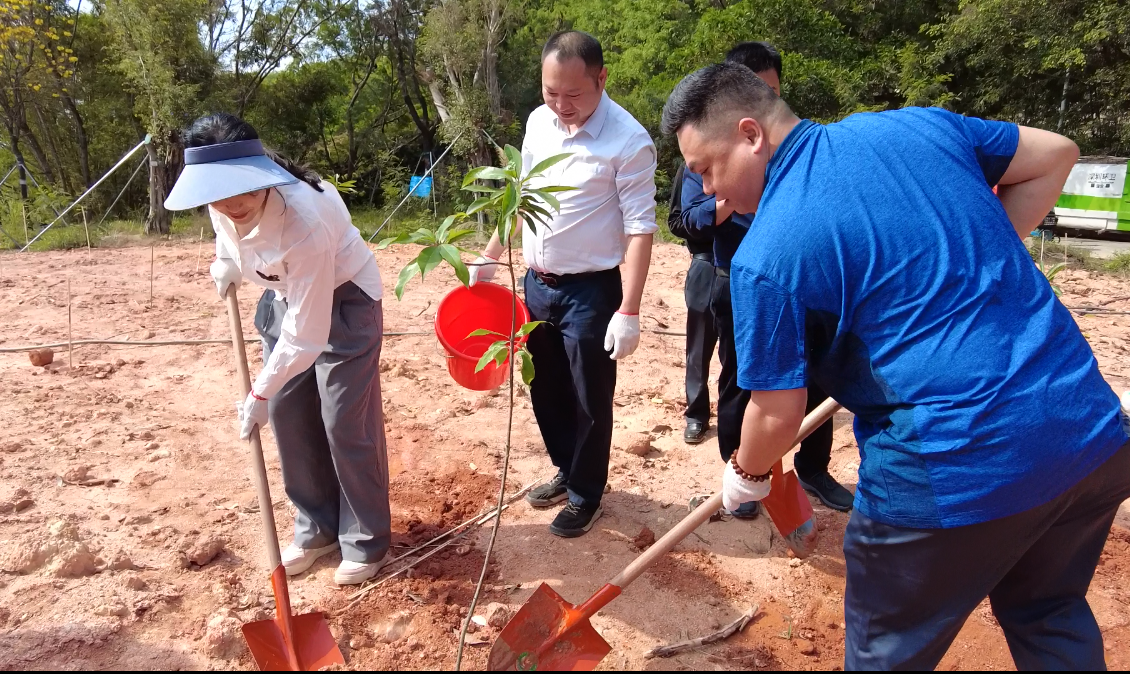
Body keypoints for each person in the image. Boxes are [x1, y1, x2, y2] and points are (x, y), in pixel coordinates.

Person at [661, 63, 1130, 669]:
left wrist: (745, 474)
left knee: (887, 656)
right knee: (1049, 612)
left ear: (751, 134)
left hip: (953, 466)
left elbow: (775, 414)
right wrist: (974, 260)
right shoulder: (920, 126)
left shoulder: (767, 253)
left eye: (706, 169)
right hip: (1087, 434)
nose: (706, 191)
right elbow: (1055, 154)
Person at [164, 113, 391, 586]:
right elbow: (228, 237)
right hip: (285, 296)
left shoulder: (303, 219)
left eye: (242, 190)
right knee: (288, 412)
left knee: (343, 420)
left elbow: (307, 334)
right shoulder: (221, 203)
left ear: (260, 172)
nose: (232, 204)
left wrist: (259, 392)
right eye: (219, 195)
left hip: (345, 299)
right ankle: (317, 529)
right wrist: (226, 262)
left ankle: (365, 540)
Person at [468, 31, 657, 538]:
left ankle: (587, 494)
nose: (561, 105)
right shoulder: (538, 122)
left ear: (601, 79)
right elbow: (522, 198)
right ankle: (567, 469)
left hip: (591, 291)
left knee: (589, 395)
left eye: (573, 94)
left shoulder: (628, 141)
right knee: (545, 385)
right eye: (551, 92)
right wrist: (490, 256)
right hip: (537, 285)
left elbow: (641, 228)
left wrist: (630, 309)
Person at [678, 42, 853, 514]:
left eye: (771, 92)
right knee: (744, 380)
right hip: (738, 280)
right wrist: (727, 197)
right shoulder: (703, 151)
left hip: (809, 286)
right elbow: (685, 219)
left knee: (817, 379)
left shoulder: (812, 153)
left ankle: (813, 469)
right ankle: (740, 468)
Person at [666, 161, 717, 446]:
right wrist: (716, 212)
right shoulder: (691, 167)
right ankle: (696, 414)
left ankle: (739, 415)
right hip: (706, 263)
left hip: (745, 262)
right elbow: (676, 221)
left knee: (739, 350)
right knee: (698, 347)